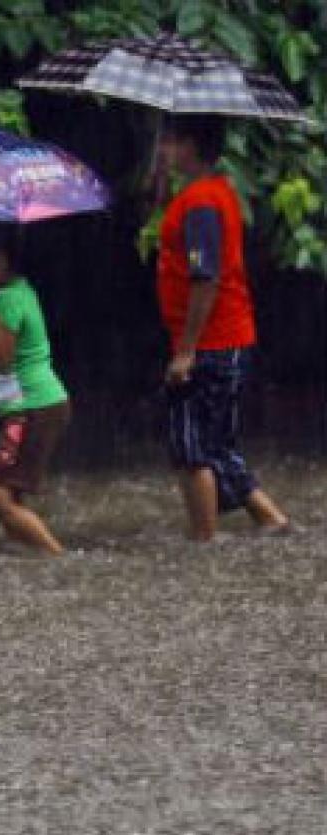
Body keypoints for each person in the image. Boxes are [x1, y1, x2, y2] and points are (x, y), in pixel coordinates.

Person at [155, 114, 288, 541]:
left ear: (190, 145)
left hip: (211, 343)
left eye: (169, 142)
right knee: (216, 446)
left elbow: (205, 276)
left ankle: (203, 545)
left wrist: (187, 350)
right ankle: (272, 523)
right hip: (225, 338)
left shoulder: (200, 204)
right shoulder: (212, 194)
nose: (162, 150)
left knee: (192, 448)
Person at [0, 226, 71, 556]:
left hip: (34, 407)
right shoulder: (16, 291)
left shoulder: (8, 299)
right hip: (33, 405)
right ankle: (30, 564)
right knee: (11, 496)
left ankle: (57, 559)